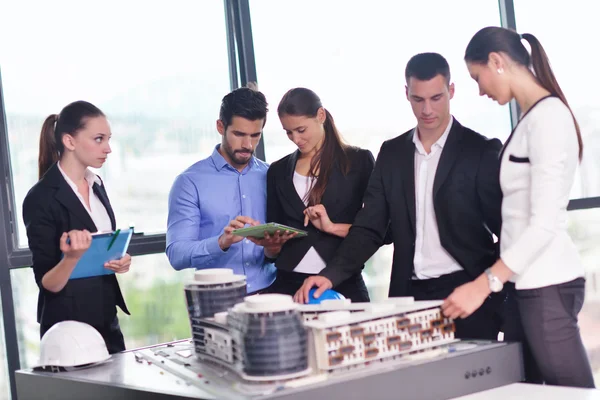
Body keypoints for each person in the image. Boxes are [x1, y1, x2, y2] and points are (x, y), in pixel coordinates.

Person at [295, 53, 509, 341]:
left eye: (436, 98)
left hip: (467, 293)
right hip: (409, 297)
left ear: (452, 92)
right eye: (418, 99)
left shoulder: (480, 151)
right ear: (407, 94)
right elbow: (370, 227)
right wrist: (330, 275)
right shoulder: (392, 154)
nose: (427, 109)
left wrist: (489, 290)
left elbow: (509, 231)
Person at [442, 26, 595, 388]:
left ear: (496, 62)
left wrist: (484, 284)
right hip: (525, 285)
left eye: (477, 77)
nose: (479, 90)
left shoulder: (549, 118)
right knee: (525, 390)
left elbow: (543, 224)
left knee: (572, 393)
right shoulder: (530, 120)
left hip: (547, 282)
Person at [23, 101, 131, 354]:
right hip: (68, 331)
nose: (108, 148)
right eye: (98, 139)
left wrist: (119, 260)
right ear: (70, 142)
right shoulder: (40, 198)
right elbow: (48, 282)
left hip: (107, 321)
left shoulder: (97, 184)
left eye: (108, 139)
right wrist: (71, 258)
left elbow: (100, 247)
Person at [166, 87, 290, 293]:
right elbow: (177, 255)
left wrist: (273, 249)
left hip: (270, 293)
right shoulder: (189, 183)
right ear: (220, 126)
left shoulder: (271, 176)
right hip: (217, 299)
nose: (248, 145)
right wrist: (221, 242)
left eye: (255, 135)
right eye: (239, 134)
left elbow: (275, 252)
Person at [262, 88, 374, 302]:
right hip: (287, 287)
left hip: (342, 282)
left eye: (301, 130)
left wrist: (332, 227)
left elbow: (379, 231)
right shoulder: (277, 171)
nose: (296, 139)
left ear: (321, 115)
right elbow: (272, 248)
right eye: (288, 132)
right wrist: (271, 248)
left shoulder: (358, 162)